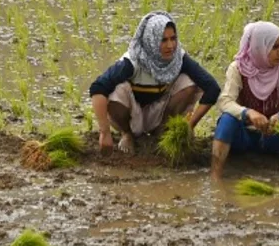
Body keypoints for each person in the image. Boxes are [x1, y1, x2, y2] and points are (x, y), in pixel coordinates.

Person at [90, 11, 221, 154]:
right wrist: (105, 132)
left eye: (173, 38)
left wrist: (190, 125)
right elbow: (98, 88)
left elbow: (212, 88)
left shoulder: (178, 58)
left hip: (160, 110)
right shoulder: (132, 61)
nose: (170, 46)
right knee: (116, 89)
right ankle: (127, 134)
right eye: (163, 40)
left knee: (189, 82)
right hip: (132, 113)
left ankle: (162, 131)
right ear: (150, 40)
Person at [211, 21, 279, 183]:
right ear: (259, 47)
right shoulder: (238, 68)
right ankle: (215, 179)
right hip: (244, 135)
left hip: (275, 136)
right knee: (226, 121)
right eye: (274, 48)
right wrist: (248, 113)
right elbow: (225, 101)